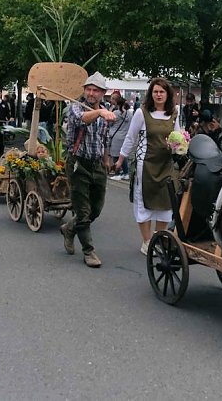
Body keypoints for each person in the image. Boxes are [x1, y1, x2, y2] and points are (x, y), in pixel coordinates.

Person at [115, 77, 181, 256]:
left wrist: (178, 146)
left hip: (166, 164)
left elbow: (178, 137)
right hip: (146, 164)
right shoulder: (141, 113)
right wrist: (121, 159)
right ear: (151, 94)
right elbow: (131, 138)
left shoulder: (173, 113)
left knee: (166, 203)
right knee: (144, 202)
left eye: (162, 92)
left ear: (167, 94)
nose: (159, 95)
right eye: (155, 92)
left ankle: (158, 238)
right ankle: (146, 241)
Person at [60, 72, 116, 268]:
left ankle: (69, 228)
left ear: (102, 93)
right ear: (84, 90)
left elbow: (105, 137)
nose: (91, 93)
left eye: (95, 90)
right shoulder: (75, 107)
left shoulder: (106, 109)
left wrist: (107, 158)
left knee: (96, 209)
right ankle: (89, 251)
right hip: (78, 164)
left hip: (98, 164)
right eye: (88, 89)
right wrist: (99, 113)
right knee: (83, 212)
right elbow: (83, 119)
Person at [108, 96, 132, 180]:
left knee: (115, 156)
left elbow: (109, 123)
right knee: (122, 155)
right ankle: (126, 173)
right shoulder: (129, 113)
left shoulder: (115, 113)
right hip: (125, 136)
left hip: (116, 137)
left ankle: (117, 173)